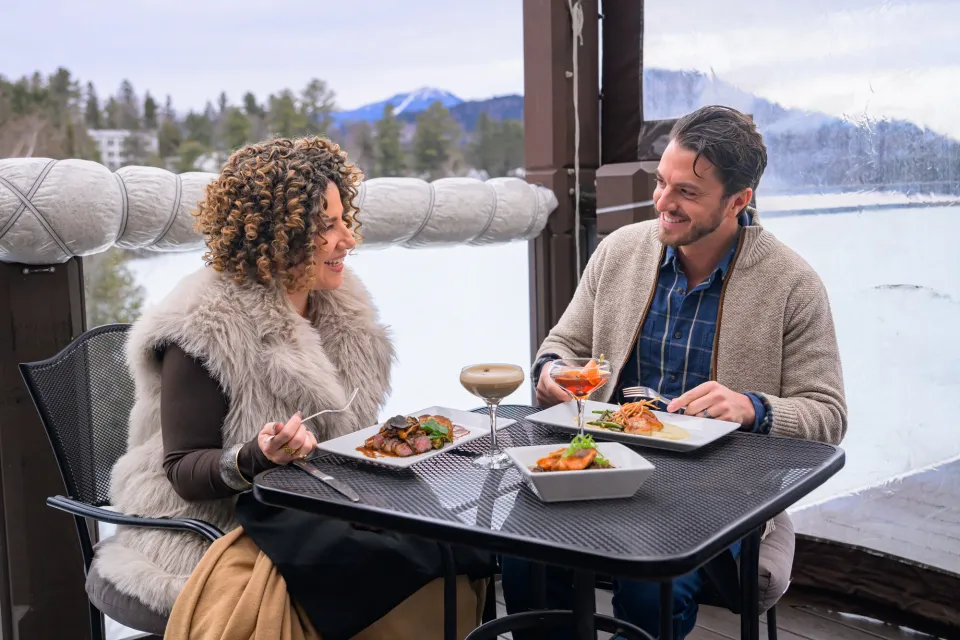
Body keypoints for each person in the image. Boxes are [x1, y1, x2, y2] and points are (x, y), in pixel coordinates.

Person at [89, 136, 491, 639]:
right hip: (210, 519)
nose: (348, 238)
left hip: (317, 508)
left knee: (445, 549)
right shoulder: (203, 324)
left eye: (345, 219)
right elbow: (183, 471)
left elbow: (345, 439)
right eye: (327, 226)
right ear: (276, 234)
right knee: (377, 575)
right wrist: (254, 457)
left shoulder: (342, 309)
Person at [503, 105, 847, 639]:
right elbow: (562, 347)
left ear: (738, 201)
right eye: (662, 182)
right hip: (602, 465)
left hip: (717, 493)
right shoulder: (618, 252)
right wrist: (551, 374)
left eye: (686, 191)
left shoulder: (793, 285)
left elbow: (828, 415)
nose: (663, 202)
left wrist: (752, 407)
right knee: (524, 553)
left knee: (651, 588)